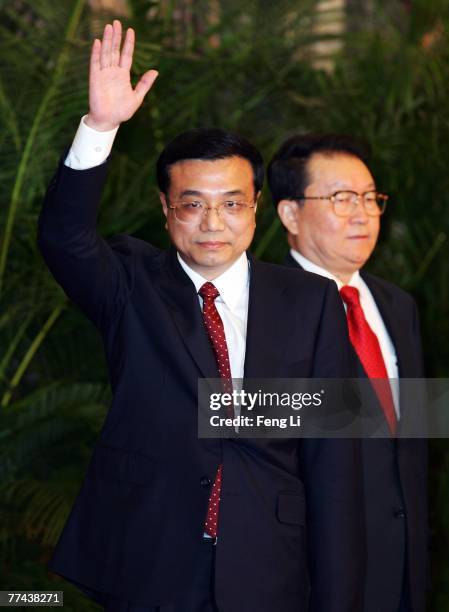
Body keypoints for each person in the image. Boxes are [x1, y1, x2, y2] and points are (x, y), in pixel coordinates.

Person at [38, 21, 363, 612]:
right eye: (193, 204)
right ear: (166, 210)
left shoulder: (310, 301)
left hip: (270, 561)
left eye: (232, 204)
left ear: (257, 209)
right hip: (150, 556)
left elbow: (333, 454)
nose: (213, 223)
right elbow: (64, 238)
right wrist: (101, 127)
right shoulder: (130, 284)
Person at [268, 133, 428, 612]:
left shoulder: (398, 306)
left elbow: (412, 437)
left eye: (370, 197)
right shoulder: (260, 309)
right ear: (290, 214)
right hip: (313, 579)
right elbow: (234, 425)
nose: (363, 213)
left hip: (403, 571)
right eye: (341, 198)